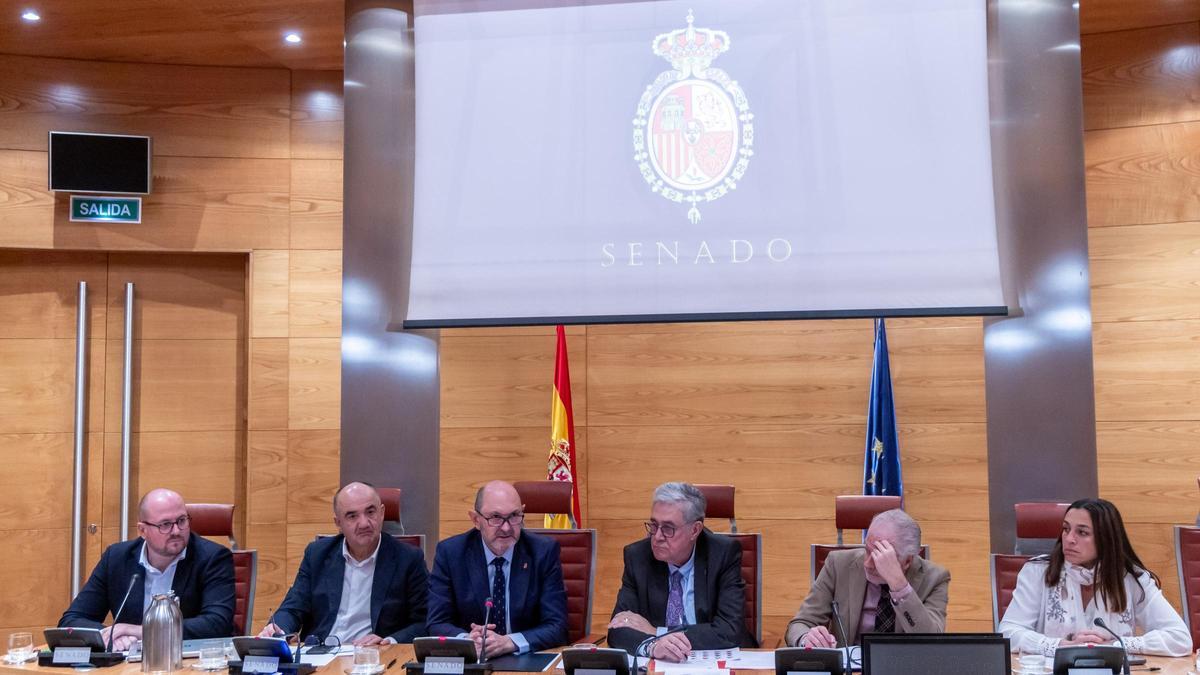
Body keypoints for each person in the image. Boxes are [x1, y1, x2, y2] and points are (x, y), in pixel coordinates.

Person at [999, 498, 1191, 657]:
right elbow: (1007, 634)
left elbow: (1180, 639)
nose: (1069, 538)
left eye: (1082, 532)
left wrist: (1118, 644)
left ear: (1105, 539)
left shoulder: (1133, 579)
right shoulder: (1038, 572)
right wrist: (1056, 645)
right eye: (1066, 529)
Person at [59, 488, 234, 649]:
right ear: (143, 531)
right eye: (165, 524)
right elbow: (71, 620)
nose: (176, 531)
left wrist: (139, 631)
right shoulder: (117, 558)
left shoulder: (213, 558)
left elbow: (217, 624)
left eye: (182, 521)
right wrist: (114, 635)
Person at [259, 482, 427, 645]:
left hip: (371, 658)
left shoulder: (408, 558)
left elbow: (425, 621)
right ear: (338, 523)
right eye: (352, 516)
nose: (364, 523)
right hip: (321, 654)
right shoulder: (317, 554)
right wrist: (279, 629)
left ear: (382, 513)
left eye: (370, 512)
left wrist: (389, 641)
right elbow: (293, 607)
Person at [607, 481, 751, 662]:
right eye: (653, 525)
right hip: (661, 665)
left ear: (695, 530)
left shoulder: (723, 554)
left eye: (668, 528)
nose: (657, 537)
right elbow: (617, 629)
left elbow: (730, 630)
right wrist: (653, 646)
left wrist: (657, 632)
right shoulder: (638, 557)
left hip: (716, 663)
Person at [427, 480, 568, 656]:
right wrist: (468, 641)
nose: (507, 527)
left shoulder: (543, 552)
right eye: (496, 517)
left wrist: (509, 642)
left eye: (515, 516)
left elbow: (557, 626)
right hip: (473, 661)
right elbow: (437, 621)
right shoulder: (451, 553)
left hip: (526, 659)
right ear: (476, 520)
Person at [785, 509, 949, 647]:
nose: (868, 564)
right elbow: (800, 624)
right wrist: (807, 638)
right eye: (868, 550)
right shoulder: (838, 564)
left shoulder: (935, 578)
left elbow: (932, 643)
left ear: (907, 561)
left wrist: (900, 586)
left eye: (881, 556)